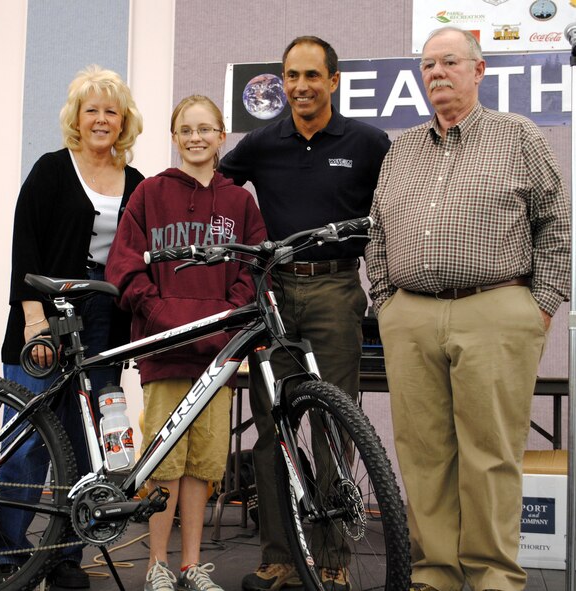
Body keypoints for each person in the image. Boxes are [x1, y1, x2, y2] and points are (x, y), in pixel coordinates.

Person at [365, 26, 570, 591]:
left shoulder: (517, 136)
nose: (437, 74)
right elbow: (377, 232)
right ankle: (435, 575)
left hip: (495, 309)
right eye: (428, 65)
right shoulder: (402, 148)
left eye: (449, 62)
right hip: (411, 316)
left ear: (478, 71)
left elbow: (556, 223)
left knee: (490, 455)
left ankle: (494, 577)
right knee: (424, 455)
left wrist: (541, 305)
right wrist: (385, 304)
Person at [219, 36, 391, 591]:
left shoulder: (368, 143)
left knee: (333, 426)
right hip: (272, 299)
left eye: (312, 75)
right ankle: (281, 558)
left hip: (336, 292)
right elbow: (215, 193)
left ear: (334, 81)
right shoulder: (261, 143)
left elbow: (390, 216)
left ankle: (334, 558)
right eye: (291, 75)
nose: (300, 86)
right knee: (273, 431)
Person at [0, 64, 145, 589]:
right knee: (31, 438)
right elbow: (24, 246)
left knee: (86, 441)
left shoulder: (137, 183)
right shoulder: (52, 170)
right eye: (92, 110)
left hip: (106, 317)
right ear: (77, 118)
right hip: (49, 311)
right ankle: (8, 555)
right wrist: (33, 319)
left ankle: (65, 555)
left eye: (111, 111)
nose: (101, 120)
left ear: (124, 122)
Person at [106, 95, 267, 591]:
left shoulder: (240, 202)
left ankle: (191, 565)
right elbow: (125, 267)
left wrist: (219, 327)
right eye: (186, 130)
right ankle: (156, 563)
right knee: (164, 464)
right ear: (174, 138)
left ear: (222, 136)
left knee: (202, 465)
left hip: (215, 359)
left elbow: (253, 271)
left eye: (205, 129)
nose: (196, 138)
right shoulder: (150, 194)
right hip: (164, 352)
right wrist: (159, 317)